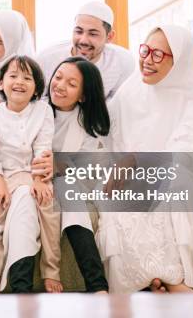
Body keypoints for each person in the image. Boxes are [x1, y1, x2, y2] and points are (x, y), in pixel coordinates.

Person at [98, 25, 193, 293]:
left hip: (174, 173)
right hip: (132, 175)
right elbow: (105, 131)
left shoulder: (192, 98)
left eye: (159, 55)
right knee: (110, 196)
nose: (147, 60)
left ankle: (172, 280)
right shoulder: (132, 88)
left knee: (175, 183)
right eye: (146, 50)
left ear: (179, 61)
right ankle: (155, 282)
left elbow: (184, 154)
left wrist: (137, 159)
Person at [0, 55, 61, 294]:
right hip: (4, 177)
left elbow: (43, 149)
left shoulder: (42, 111)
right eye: (13, 76)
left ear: (36, 88)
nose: (19, 81)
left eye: (27, 77)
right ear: (1, 83)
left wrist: (39, 179)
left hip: (33, 173)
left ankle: (51, 269)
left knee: (47, 203)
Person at [47, 56, 112, 294]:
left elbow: (77, 171)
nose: (60, 85)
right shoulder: (35, 110)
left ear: (83, 95)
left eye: (71, 84)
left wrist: (59, 164)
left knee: (68, 188)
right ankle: (97, 285)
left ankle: (97, 286)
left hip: (73, 183)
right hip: (32, 178)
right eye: (58, 77)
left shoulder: (88, 127)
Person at [35, 1, 134, 100]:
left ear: (109, 37)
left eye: (93, 34)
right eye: (79, 31)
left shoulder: (123, 61)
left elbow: (118, 103)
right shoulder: (46, 58)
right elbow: (35, 102)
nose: (83, 40)